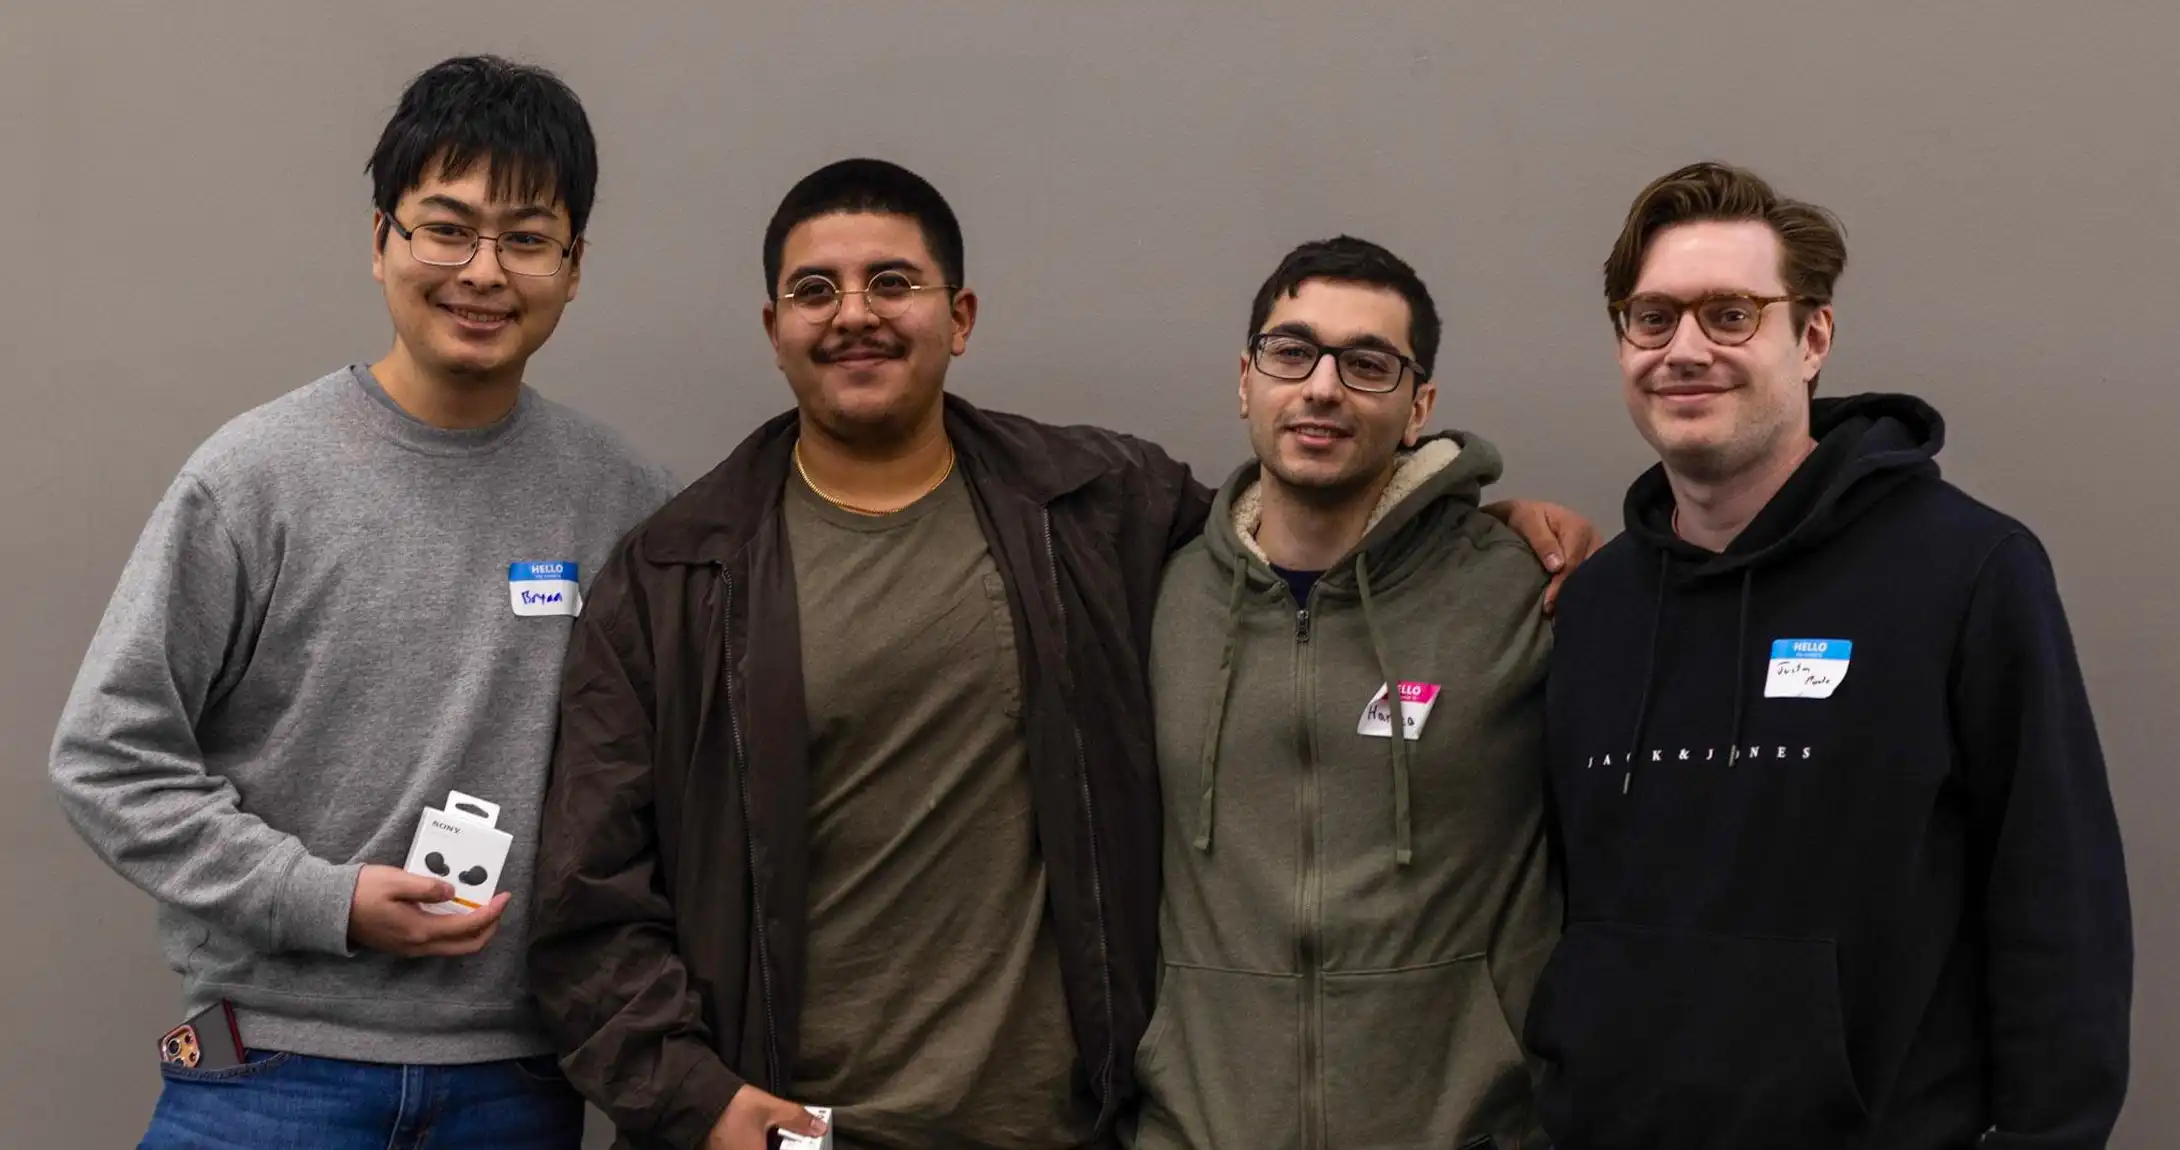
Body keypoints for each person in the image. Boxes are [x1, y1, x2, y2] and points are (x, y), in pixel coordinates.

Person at [527, 159, 1595, 1150]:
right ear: (774, 327)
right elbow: (585, 899)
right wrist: (699, 1100)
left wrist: (1471, 527)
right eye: (816, 291)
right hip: (794, 1129)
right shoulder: (674, 576)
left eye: (890, 281)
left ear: (960, 316)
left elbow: (1299, 528)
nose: (853, 313)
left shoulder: (1092, 510)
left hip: (1053, 1126)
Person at [47, 55, 677, 1149]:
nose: (483, 270)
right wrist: (321, 900)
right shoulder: (253, 477)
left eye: (526, 239)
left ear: (572, 269)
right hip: (272, 1070)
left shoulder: (622, 499)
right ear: (380, 238)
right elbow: (105, 757)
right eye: (446, 227)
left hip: (520, 1083)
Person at [1525, 161, 2133, 1148]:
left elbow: (2055, 907)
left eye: (1728, 314)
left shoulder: (1966, 571)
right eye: (1651, 318)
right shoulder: (1590, 607)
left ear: (1810, 338)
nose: (1684, 349)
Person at [1129, 236, 1557, 1150]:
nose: (1322, 387)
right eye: (1292, 352)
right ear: (1246, 380)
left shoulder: (1519, 589)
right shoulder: (1159, 603)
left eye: (1368, 364)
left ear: (1419, 407)